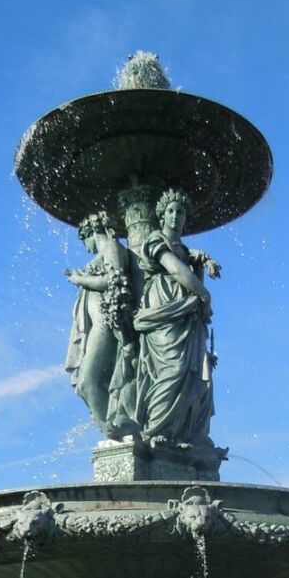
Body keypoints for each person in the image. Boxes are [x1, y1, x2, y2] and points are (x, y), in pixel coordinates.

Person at [132, 188, 220, 446]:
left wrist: (203, 259)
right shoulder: (154, 239)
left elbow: (185, 256)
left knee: (192, 373)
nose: (175, 216)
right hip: (164, 305)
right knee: (173, 369)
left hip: (187, 310)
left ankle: (179, 433)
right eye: (170, 210)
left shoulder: (184, 248)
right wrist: (204, 293)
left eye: (180, 211)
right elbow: (175, 268)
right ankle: (155, 429)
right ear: (161, 215)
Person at [64, 211, 138, 436]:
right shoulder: (107, 251)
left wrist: (80, 279)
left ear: (90, 232)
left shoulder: (112, 248)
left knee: (87, 383)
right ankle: (115, 426)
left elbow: (113, 280)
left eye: (84, 240)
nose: (86, 247)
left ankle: (114, 431)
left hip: (106, 324)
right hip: (99, 325)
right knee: (90, 385)